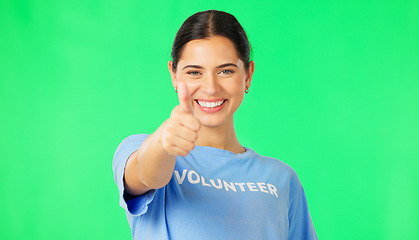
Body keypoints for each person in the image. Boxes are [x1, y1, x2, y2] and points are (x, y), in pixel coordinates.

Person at [113, 10, 318, 240]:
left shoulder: (282, 179)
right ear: (174, 75)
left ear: (248, 75)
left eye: (225, 71)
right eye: (194, 72)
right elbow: (146, 174)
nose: (210, 88)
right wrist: (162, 142)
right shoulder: (143, 147)